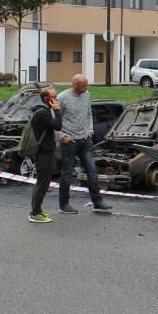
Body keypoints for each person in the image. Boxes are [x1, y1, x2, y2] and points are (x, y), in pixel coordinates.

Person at [58, 74, 112, 214]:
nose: (86, 88)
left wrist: (90, 130)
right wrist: (62, 136)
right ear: (75, 85)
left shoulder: (87, 95)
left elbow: (89, 114)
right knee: (67, 173)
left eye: (86, 85)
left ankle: (97, 202)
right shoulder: (62, 97)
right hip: (70, 141)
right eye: (84, 85)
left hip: (85, 139)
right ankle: (64, 204)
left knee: (92, 172)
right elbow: (55, 120)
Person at [28, 87, 62, 224]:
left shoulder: (42, 111)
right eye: (55, 97)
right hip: (43, 153)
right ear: (48, 100)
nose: (57, 100)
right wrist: (57, 111)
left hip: (46, 152)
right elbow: (58, 126)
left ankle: (37, 210)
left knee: (43, 182)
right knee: (42, 183)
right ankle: (35, 213)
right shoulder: (43, 113)